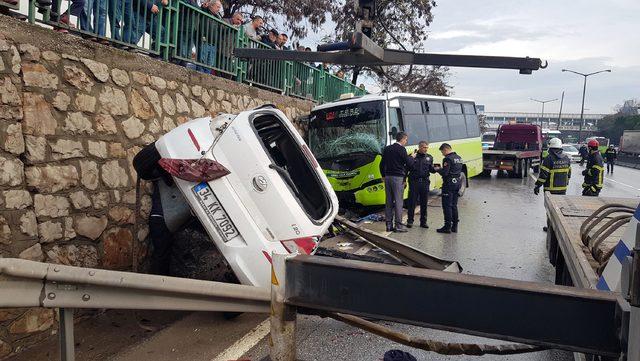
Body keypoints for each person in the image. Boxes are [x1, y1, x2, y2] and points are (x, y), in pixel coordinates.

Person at [380, 132, 411, 233]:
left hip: (388, 177)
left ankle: (388, 225)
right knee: (398, 202)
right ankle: (398, 226)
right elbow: (409, 163)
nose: (406, 142)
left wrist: (383, 176)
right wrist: (412, 157)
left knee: (388, 201)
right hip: (398, 178)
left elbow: (381, 164)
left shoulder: (387, 148)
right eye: (406, 140)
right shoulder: (401, 149)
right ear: (403, 139)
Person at [434, 143, 463, 234]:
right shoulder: (459, 158)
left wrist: (438, 169)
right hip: (457, 183)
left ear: (445, 150)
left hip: (449, 184)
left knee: (447, 206)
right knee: (454, 205)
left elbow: (445, 173)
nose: (442, 154)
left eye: (442, 152)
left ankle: (447, 227)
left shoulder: (447, 159)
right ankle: (454, 226)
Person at [406, 141, 436, 229]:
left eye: (427, 147)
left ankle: (423, 222)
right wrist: (404, 180)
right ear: (419, 147)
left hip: (425, 182)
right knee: (412, 203)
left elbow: (431, 169)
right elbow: (406, 168)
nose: (426, 149)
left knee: (424, 203)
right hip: (414, 182)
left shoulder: (429, 157)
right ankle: (410, 221)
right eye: (424, 147)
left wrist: (436, 169)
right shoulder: (412, 156)